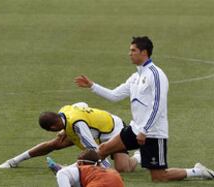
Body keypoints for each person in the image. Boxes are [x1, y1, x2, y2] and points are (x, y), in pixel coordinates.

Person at [75, 36, 214, 181]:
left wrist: (145, 130)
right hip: (135, 129)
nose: (129, 53)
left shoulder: (156, 75)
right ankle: (76, 173)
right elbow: (114, 95)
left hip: (153, 133)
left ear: (144, 53)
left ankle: (197, 171)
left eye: (133, 50)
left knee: (159, 177)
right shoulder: (135, 77)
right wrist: (92, 86)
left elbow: (158, 106)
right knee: (103, 149)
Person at [0, 102, 139, 172]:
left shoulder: (78, 125)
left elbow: (95, 151)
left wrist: (105, 169)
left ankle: (138, 157)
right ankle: (13, 161)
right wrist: (64, 132)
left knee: (122, 169)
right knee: (55, 143)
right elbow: (82, 104)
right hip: (93, 130)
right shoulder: (64, 111)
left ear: (53, 127)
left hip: (113, 130)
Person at [48, 149, 124, 187]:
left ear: (80, 163)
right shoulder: (106, 170)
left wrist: (61, 170)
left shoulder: (84, 169)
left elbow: (62, 173)